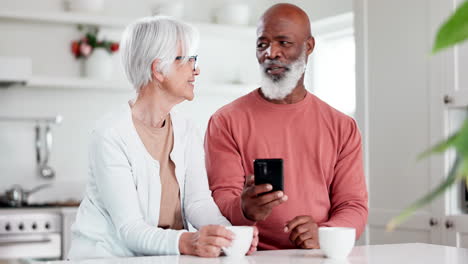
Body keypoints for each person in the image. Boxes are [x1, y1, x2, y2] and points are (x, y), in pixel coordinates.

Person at [68, 16, 258, 259]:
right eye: (188, 59)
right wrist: (188, 241)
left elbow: (198, 202)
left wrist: (229, 236)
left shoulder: (186, 129)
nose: (196, 69)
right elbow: (130, 229)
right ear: (158, 69)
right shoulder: (110, 134)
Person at [205, 3, 368, 250]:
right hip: (251, 256)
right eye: (262, 44)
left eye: (284, 42)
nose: (271, 53)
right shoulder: (225, 120)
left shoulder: (342, 126)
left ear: (309, 46)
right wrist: (243, 208)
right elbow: (220, 199)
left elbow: (353, 206)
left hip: (317, 255)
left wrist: (324, 235)